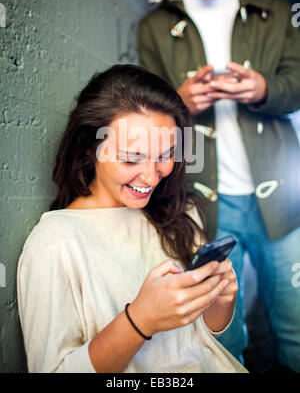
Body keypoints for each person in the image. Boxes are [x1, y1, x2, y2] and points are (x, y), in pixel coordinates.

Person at [137, 0, 300, 372]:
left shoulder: (273, 7)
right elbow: (144, 109)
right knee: (222, 336)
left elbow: (298, 86)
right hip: (204, 196)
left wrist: (264, 87)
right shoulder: (155, 24)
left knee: (296, 325)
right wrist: (178, 101)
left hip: (280, 196)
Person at [17, 64, 247, 373]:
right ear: (90, 149)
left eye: (165, 154)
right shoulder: (56, 242)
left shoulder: (179, 212)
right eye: (131, 158)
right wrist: (139, 321)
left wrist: (220, 301)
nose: (152, 176)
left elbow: (206, 341)